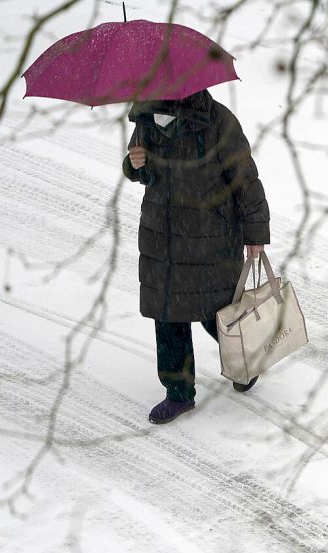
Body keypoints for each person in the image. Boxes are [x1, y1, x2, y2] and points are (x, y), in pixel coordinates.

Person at [122, 89, 270, 425]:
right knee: (168, 314)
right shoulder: (146, 116)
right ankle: (178, 393)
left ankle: (244, 361)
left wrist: (256, 233)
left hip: (210, 236)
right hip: (162, 236)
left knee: (217, 313)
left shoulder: (218, 121)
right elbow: (138, 167)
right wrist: (133, 164)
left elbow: (245, 178)